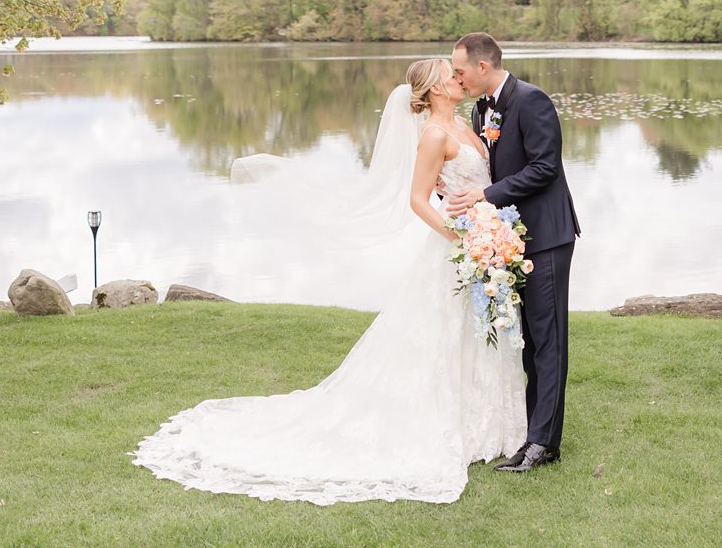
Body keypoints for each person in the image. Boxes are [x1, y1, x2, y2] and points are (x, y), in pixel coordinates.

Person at [132, 59, 525, 505]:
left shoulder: (468, 122)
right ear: (433, 89)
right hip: (458, 247)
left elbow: (468, 183)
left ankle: (485, 425)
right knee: (448, 335)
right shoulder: (434, 135)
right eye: (449, 74)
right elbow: (418, 199)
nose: (458, 77)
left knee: (477, 331)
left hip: (486, 238)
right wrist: (456, 235)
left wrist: (488, 227)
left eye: (458, 73)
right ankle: (448, 425)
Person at [448, 32, 579, 473]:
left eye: (460, 70)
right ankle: (531, 433)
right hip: (512, 239)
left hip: (547, 236)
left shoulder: (532, 100)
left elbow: (545, 167)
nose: (456, 77)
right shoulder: (481, 108)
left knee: (548, 340)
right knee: (525, 342)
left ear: (482, 67)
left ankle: (545, 443)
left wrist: (485, 195)